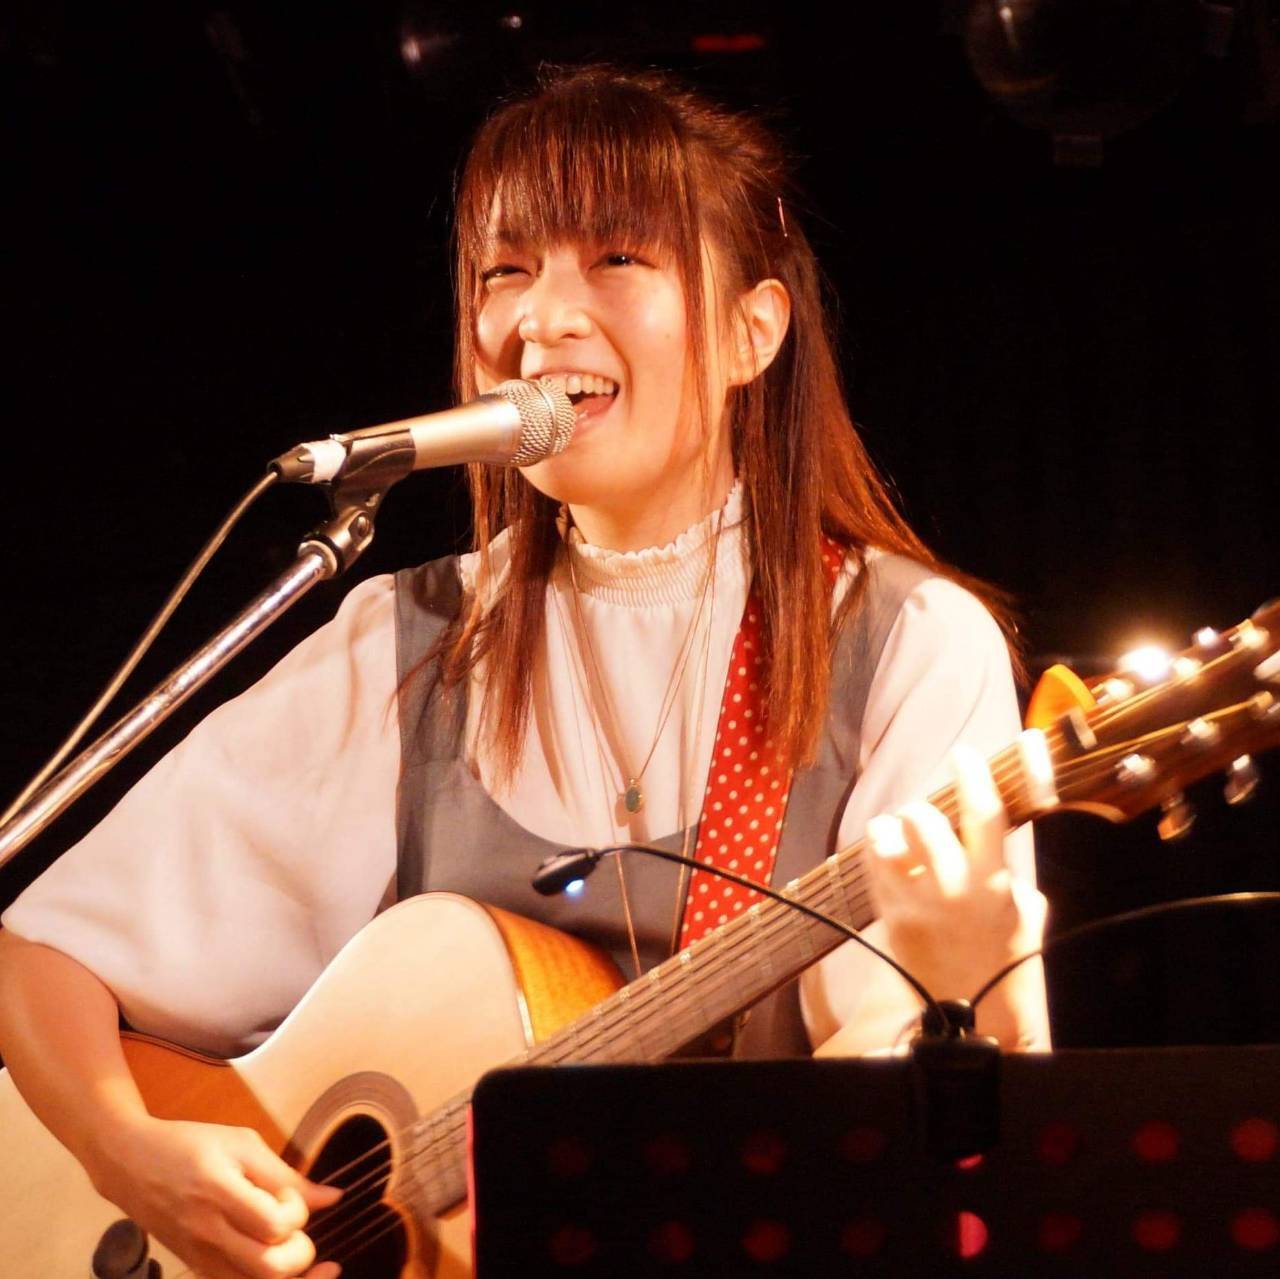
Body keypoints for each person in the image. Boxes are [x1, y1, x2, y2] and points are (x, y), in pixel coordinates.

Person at [0, 64, 1048, 1279]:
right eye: (504, 271)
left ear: (750, 333)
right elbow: (38, 958)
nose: (539, 320)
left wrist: (965, 983)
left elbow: (914, 1165)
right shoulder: (413, 640)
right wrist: (127, 1152)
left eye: (615, 258)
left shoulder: (903, 644)